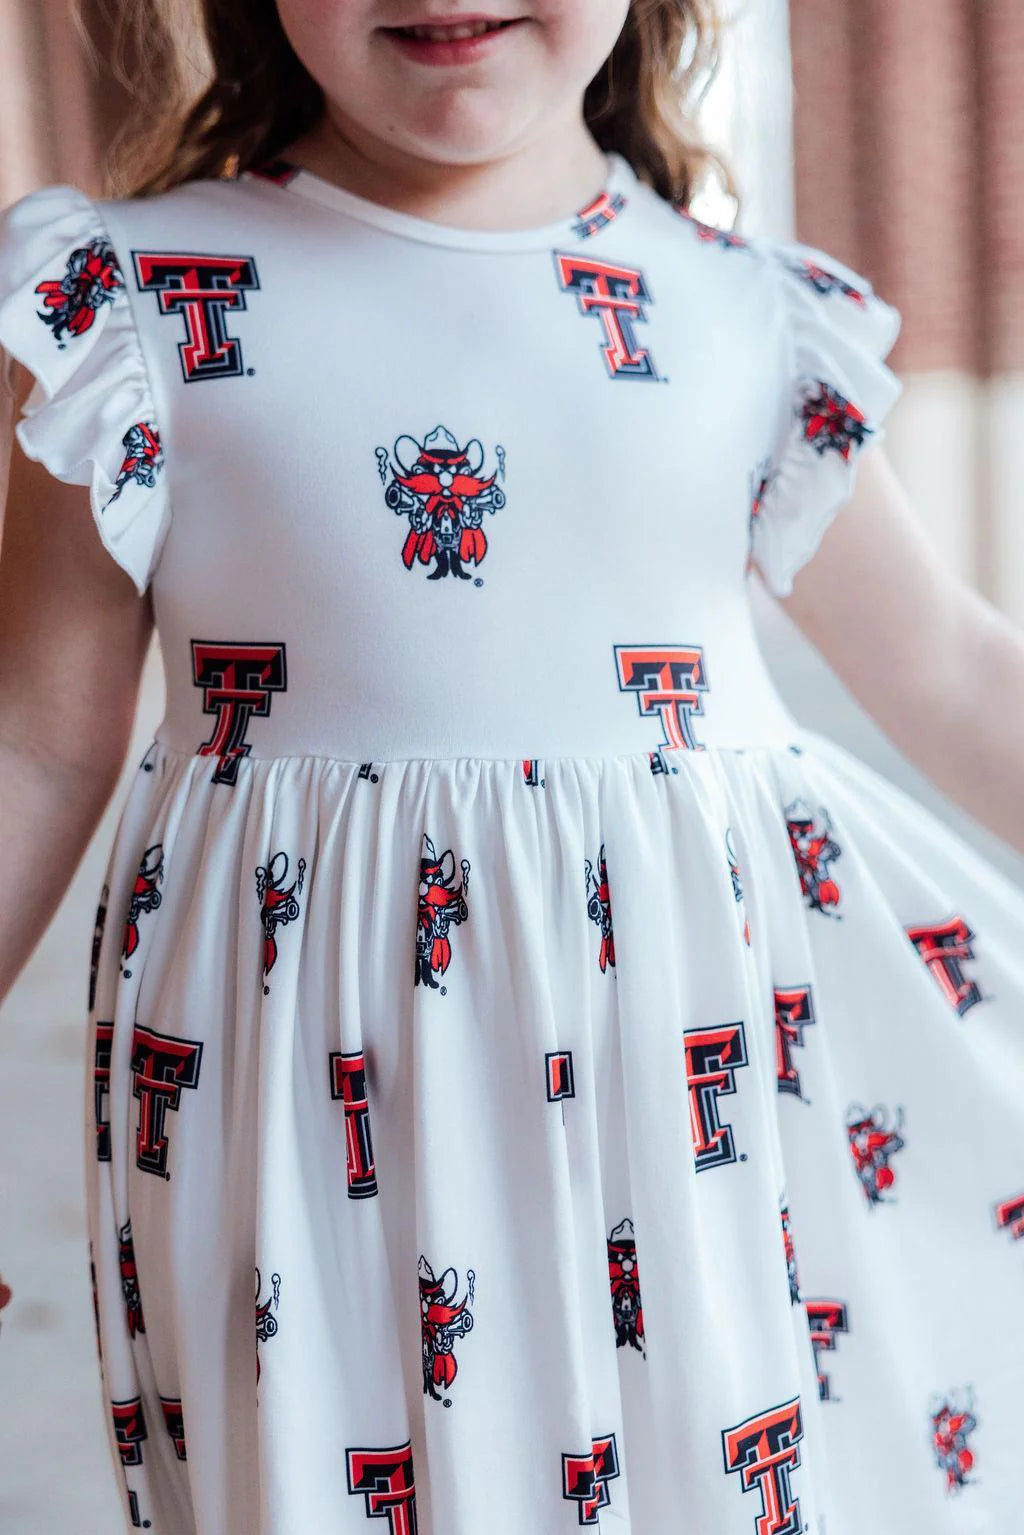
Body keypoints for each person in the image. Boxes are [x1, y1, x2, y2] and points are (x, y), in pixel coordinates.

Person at [0, 1, 1022, 1531]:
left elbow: (944, 664)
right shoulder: (133, 302)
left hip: (685, 1093)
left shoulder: (742, 318)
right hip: (296, 1094)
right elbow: (36, 737)